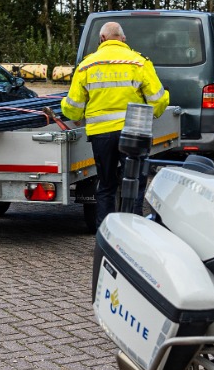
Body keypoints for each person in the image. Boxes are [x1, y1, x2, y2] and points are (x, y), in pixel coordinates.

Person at [61, 21, 171, 226]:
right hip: (133, 134)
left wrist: (67, 109)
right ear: (123, 39)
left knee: (106, 185)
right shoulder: (139, 63)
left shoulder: (87, 65)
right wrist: (159, 105)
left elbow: (73, 108)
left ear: (102, 39)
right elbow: (157, 101)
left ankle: (105, 232)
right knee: (134, 183)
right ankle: (133, 230)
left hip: (101, 135)